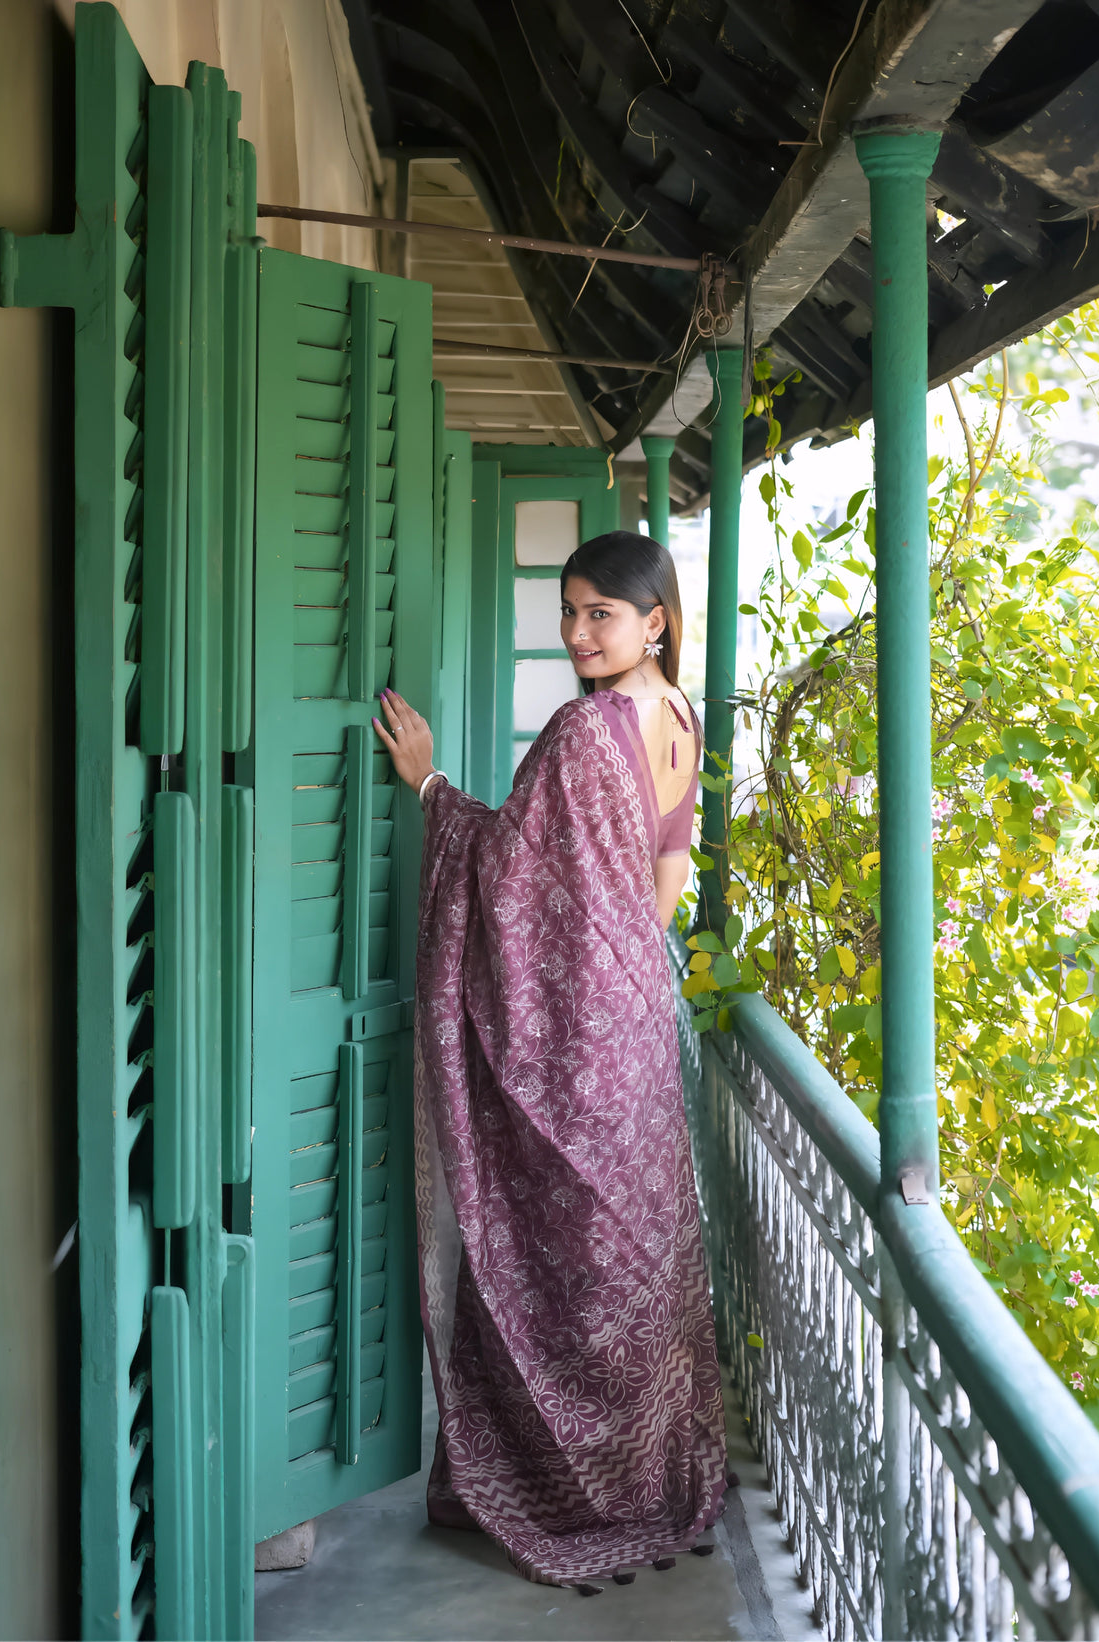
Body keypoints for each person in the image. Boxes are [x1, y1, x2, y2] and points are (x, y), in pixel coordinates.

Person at [373, 531, 728, 1591]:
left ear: (654, 620)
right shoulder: (678, 716)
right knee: (629, 1260)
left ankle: (572, 1487)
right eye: (569, 611)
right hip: (635, 1036)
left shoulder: (586, 730)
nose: (577, 633)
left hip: (577, 1048)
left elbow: (509, 874)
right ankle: (643, 1476)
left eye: (600, 615)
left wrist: (430, 784)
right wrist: (613, 964)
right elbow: (662, 879)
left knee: (560, 1265)